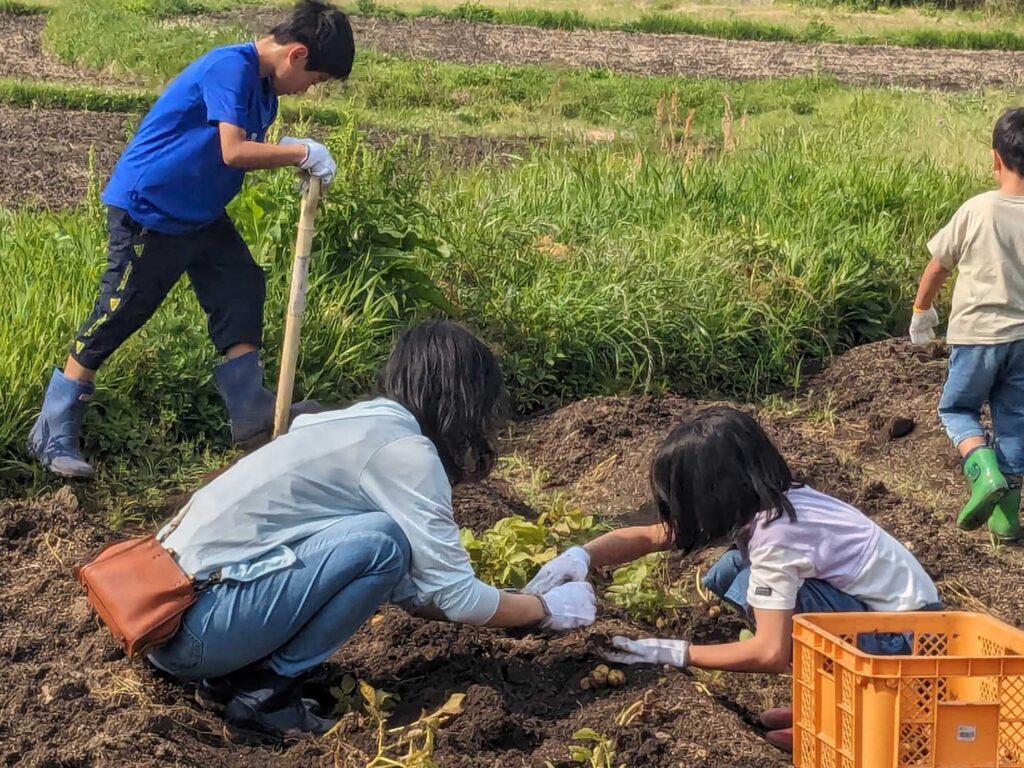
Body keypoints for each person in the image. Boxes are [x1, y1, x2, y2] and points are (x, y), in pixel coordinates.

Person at [145, 320, 597, 744]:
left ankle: (229, 681)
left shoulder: (342, 423)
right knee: (382, 541)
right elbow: (457, 597)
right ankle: (265, 694)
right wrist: (541, 610)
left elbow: (412, 593)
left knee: (379, 545)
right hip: (199, 631)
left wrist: (511, 604)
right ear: (461, 400)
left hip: (164, 620)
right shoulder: (406, 452)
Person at [27, 0, 352, 479]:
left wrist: (295, 156)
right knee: (122, 310)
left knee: (240, 284)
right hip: (151, 211)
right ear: (297, 55)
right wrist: (299, 151)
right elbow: (234, 150)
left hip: (198, 213)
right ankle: (51, 427)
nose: (308, 91)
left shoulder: (265, 89)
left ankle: (253, 415)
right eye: (315, 80)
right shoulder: (230, 67)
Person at [526, 406, 940, 750]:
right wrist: (581, 557)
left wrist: (671, 652)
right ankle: (834, 705)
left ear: (713, 494)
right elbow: (652, 536)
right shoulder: (777, 498)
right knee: (731, 572)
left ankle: (859, 718)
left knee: (747, 582)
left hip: (902, 651)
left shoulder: (777, 539)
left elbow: (768, 654)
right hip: (899, 625)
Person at [910, 106, 1024, 542]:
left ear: (995, 159)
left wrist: (922, 312)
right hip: (1022, 341)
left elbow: (938, 266)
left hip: (976, 337)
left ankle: (984, 472)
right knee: (1014, 423)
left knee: (957, 409)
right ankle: (1007, 519)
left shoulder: (978, 210)